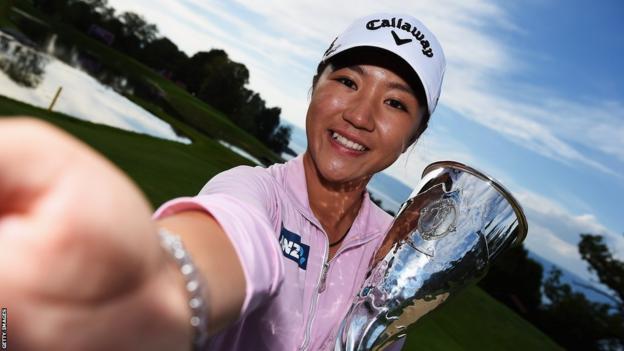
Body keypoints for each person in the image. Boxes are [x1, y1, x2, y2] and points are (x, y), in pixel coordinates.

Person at [0, 12, 445, 351]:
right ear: (314, 87)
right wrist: (158, 287)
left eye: (395, 103)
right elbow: (233, 238)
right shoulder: (253, 191)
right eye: (348, 81)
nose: (359, 115)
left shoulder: (398, 256)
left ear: (413, 137)